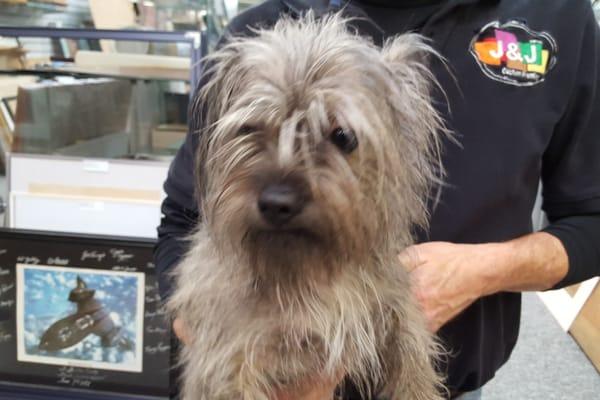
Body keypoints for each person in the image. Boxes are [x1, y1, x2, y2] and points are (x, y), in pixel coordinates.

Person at [155, 0, 600, 399]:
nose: (281, 187)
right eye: (255, 131)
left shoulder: (556, 16)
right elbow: (182, 216)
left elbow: (592, 221)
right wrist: (213, 331)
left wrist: (481, 271)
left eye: (340, 138)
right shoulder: (259, 32)